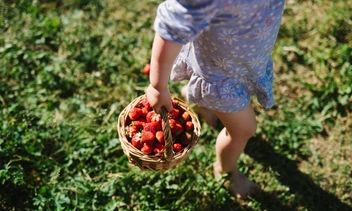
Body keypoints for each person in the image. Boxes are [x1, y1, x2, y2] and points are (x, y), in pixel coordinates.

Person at [146, 0, 285, 199]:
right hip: (220, 78)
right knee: (243, 130)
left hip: (244, 62)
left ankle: (197, 99)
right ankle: (226, 170)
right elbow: (171, 26)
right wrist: (158, 85)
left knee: (240, 126)